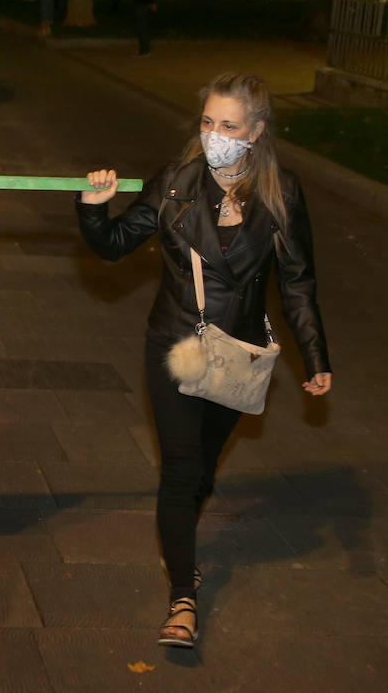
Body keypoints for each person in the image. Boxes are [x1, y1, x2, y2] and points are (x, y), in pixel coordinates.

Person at [76, 72, 332, 649]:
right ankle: (183, 598)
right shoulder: (177, 182)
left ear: (257, 132)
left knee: (203, 470)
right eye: (208, 122)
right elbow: (115, 246)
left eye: (230, 125)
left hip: (235, 354)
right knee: (182, 468)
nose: (215, 135)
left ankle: (179, 542)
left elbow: (296, 282)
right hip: (175, 347)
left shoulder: (281, 193)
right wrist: (94, 210)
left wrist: (314, 353)